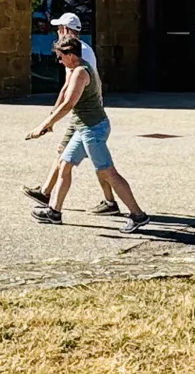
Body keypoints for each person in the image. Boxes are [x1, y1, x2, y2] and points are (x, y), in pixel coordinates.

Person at [24, 34, 147, 233]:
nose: (59, 60)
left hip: (93, 129)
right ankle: (54, 212)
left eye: (60, 56)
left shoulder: (81, 72)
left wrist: (44, 124)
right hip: (85, 127)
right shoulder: (75, 69)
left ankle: (138, 215)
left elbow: (69, 103)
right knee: (64, 164)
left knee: (107, 172)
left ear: (71, 55)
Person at [23, 10, 120, 213]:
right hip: (86, 112)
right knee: (79, 158)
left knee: (96, 162)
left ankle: (113, 204)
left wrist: (50, 119)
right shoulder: (83, 49)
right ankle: (48, 193)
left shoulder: (74, 53)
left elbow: (69, 90)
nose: (57, 32)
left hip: (85, 115)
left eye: (59, 29)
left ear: (66, 30)